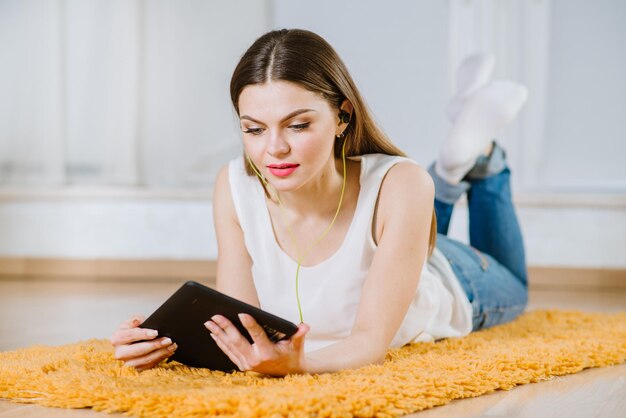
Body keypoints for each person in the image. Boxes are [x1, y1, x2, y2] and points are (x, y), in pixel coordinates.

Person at [110, 29, 529, 376]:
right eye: (253, 129)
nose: (274, 148)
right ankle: (456, 161)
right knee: (405, 202)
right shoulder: (234, 185)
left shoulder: (403, 184)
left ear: (343, 116)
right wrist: (161, 342)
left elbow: (369, 340)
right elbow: (239, 323)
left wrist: (299, 365)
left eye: (298, 125)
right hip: (393, 232)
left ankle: (482, 160)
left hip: (451, 276)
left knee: (515, 285)